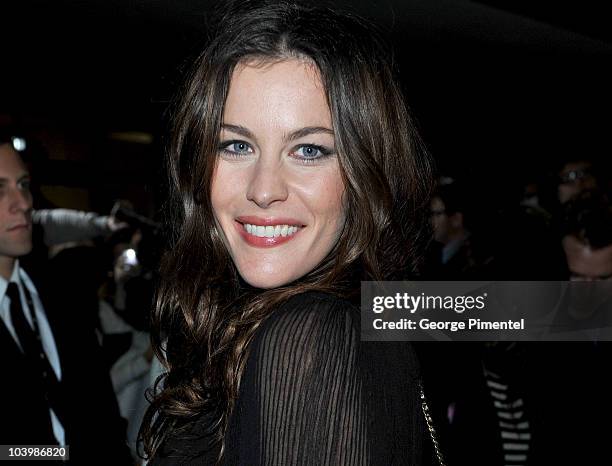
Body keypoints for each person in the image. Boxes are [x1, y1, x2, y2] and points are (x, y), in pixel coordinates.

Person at [140, 2, 433, 465]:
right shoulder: (363, 324)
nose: (264, 190)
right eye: (237, 145)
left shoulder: (310, 339)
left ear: (365, 171)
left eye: (309, 150)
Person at [0, 133, 133, 464]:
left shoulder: (63, 295)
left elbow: (102, 413)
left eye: (24, 184)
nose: (23, 202)